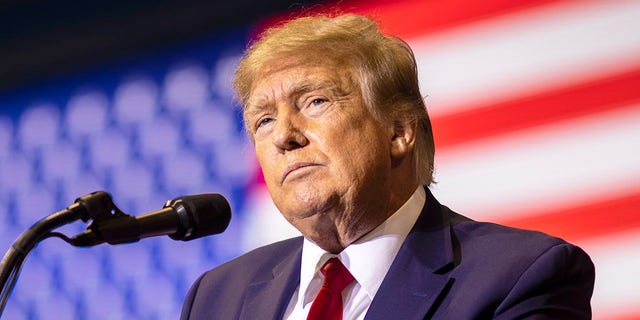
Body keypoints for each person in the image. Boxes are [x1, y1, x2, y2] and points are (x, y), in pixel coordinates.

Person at [180, 13, 595, 319]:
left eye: (315, 102)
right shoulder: (216, 299)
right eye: (263, 120)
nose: (283, 136)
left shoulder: (520, 276)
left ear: (398, 131)